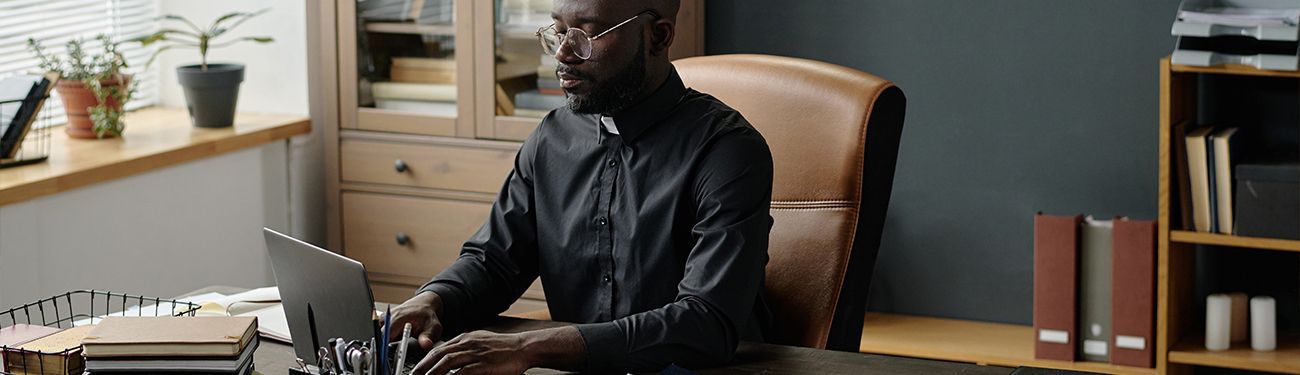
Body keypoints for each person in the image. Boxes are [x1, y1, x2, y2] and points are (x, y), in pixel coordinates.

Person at [390, 0, 774, 373]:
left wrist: (529, 348)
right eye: (558, 32)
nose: (563, 53)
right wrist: (433, 300)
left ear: (658, 36)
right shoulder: (551, 137)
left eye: (587, 34)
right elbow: (495, 262)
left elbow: (705, 323)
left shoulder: (728, 150)